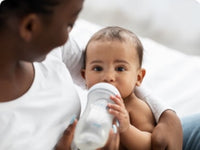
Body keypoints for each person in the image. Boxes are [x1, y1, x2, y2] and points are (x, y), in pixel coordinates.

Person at [0, 0, 183, 149]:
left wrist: (166, 114)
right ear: (30, 26)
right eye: (68, 25)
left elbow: (112, 69)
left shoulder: (50, 49)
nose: (67, 39)